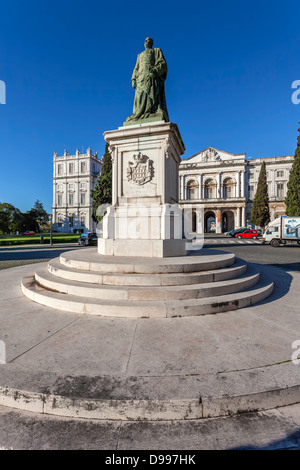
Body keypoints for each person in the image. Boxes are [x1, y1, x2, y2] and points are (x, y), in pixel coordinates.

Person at [125, 37, 169, 124]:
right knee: (140, 97)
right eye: (145, 41)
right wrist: (133, 79)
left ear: (151, 43)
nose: (146, 42)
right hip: (140, 79)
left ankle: (151, 112)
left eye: (148, 41)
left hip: (150, 78)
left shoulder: (156, 51)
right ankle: (139, 114)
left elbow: (162, 63)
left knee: (151, 97)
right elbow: (136, 68)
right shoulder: (140, 55)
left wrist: (155, 71)